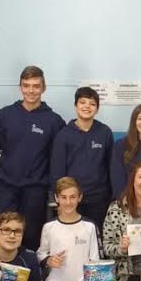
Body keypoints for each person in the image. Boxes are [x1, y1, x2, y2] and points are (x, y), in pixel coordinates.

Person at [0, 66, 65, 250]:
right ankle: (0, 275)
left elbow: (56, 159)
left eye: (36, 86)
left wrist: (52, 190)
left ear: (43, 87)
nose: (31, 91)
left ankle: (31, 275)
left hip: (35, 190)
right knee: (4, 235)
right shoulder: (5, 115)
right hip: (7, 188)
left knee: (32, 236)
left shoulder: (54, 121)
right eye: (26, 86)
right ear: (20, 87)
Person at [50, 86, 114, 229]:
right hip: (71, 201)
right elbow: (57, 171)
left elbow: (111, 166)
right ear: (75, 106)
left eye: (92, 104)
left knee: (96, 240)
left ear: (97, 109)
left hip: (99, 199)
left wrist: (112, 196)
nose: (87, 106)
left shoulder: (105, 132)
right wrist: (60, 201)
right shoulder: (63, 135)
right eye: (82, 102)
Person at [37, 177, 101, 281]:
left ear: (80, 197)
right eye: (63, 197)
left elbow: (95, 262)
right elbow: (40, 253)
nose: (68, 202)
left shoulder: (89, 227)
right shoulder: (49, 227)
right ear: (56, 198)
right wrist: (48, 260)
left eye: (72, 197)